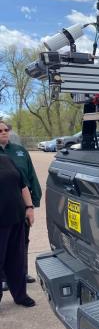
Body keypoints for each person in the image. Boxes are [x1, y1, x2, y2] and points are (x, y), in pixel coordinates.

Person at [0, 120, 41, 291]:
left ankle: (21, 273)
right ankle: (3, 278)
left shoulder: (20, 151)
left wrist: (33, 204)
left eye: (6, 129)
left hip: (21, 206)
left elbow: (29, 177)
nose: (4, 132)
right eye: (0, 130)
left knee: (22, 241)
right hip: (3, 209)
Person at [0, 152, 36, 308]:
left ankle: (20, 295)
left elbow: (23, 186)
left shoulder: (6, 159)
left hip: (16, 218)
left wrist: (29, 207)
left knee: (17, 259)